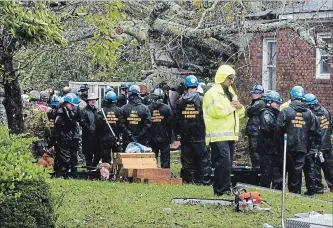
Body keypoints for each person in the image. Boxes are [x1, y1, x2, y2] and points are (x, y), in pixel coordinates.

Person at [203, 65, 245, 195]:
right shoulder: (212, 94)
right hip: (217, 135)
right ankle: (221, 190)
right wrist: (233, 107)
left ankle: (225, 188)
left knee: (227, 165)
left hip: (230, 135)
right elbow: (216, 112)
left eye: (232, 78)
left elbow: (241, 114)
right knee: (223, 164)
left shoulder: (231, 93)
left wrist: (240, 107)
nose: (231, 81)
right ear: (222, 77)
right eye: (229, 78)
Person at [277, 86, 321, 194]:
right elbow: (313, 131)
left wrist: (279, 144)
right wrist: (308, 145)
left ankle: (281, 191)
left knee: (284, 169)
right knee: (297, 170)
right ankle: (295, 192)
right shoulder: (309, 114)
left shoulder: (286, 111)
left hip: (287, 146)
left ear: (292, 97)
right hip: (302, 147)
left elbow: (278, 129)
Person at [176, 75, 210, 185]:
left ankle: (188, 180)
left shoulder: (180, 101)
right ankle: (203, 181)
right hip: (200, 135)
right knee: (203, 160)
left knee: (187, 160)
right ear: (196, 86)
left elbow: (177, 119)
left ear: (185, 87)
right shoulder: (202, 99)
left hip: (185, 137)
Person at [304, 93, 333, 193]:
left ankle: (319, 187)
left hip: (316, 145)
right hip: (327, 144)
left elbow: (312, 130)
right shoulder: (326, 111)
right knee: (329, 167)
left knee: (316, 167)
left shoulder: (311, 114)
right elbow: (331, 128)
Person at [51, 93, 80, 177]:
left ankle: (63, 174)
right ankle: (62, 174)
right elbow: (56, 129)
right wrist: (54, 142)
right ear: (66, 103)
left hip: (66, 138)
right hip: (60, 139)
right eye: (71, 104)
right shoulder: (61, 113)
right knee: (64, 159)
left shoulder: (69, 112)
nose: (72, 106)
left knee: (65, 158)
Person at [258, 91, 283, 189]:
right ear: (269, 102)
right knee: (266, 172)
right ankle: (265, 188)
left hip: (274, 148)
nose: (278, 104)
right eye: (276, 102)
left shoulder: (276, 113)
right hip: (267, 149)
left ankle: (277, 189)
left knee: (277, 171)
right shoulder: (266, 114)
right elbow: (268, 129)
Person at [120, 85, 151, 151]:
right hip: (142, 140)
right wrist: (140, 135)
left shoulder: (123, 108)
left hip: (127, 140)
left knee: (127, 159)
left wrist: (130, 134)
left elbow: (121, 124)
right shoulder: (145, 108)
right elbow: (148, 124)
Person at [148, 88, 173, 168]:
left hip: (152, 136)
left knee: (152, 157)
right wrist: (170, 136)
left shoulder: (148, 108)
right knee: (165, 157)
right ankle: (165, 173)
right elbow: (171, 123)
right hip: (164, 137)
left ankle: (152, 172)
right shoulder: (167, 108)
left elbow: (146, 123)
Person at [23, 90, 50, 159]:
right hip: (40, 137)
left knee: (29, 157)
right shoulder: (41, 110)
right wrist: (49, 135)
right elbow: (46, 125)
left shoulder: (24, 109)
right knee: (43, 157)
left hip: (27, 137)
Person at [96, 91, 121, 163]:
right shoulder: (119, 111)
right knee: (117, 160)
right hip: (116, 138)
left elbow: (98, 125)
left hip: (104, 139)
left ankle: (106, 173)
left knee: (106, 160)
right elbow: (121, 125)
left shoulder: (101, 111)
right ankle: (118, 173)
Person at [245, 84, 265, 168]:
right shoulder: (256, 103)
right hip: (254, 131)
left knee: (255, 152)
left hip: (256, 132)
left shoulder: (260, 103)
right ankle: (256, 168)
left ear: (260, 94)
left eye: (255, 93)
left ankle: (257, 170)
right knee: (253, 152)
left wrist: (249, 108)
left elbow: (249, 111)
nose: (253, 95)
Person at [80, 93, 99, 166]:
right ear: (88, 101)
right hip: (87, 137)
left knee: (97, 155)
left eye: (94, 100)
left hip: (97, 137)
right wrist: (90, 130)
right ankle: (89, 171)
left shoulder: (97, 110)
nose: (93, 102)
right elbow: (83, 123)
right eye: (91, 100)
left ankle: (93, 167)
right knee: (88, 155)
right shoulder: (84, 111)